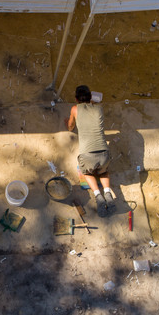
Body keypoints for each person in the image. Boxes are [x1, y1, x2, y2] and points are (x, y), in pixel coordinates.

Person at [65, 85, 114, 218]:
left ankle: (98, 195)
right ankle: (108, 192)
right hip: (104, 154)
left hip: (88, 155)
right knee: (104, 171)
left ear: (76, 99)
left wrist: (68, 122)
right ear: (91, 97)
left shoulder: (75, 109)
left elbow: (70, 127)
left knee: (87, 172)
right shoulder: (99, 109)